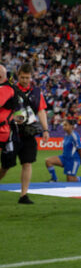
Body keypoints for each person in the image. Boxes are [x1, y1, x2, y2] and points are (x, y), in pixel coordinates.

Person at [0, 63, 49, 204]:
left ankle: (23, 195)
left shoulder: (36, 92)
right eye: (22, 77)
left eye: (28, 78)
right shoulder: (10, 89)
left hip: (28, 134)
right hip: (12, 133)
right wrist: (11, 119)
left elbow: (41, 111)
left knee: (27, 163)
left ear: (31, 77)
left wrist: (45, 129)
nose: (25, 80)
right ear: (18, 76)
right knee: (6, 166)